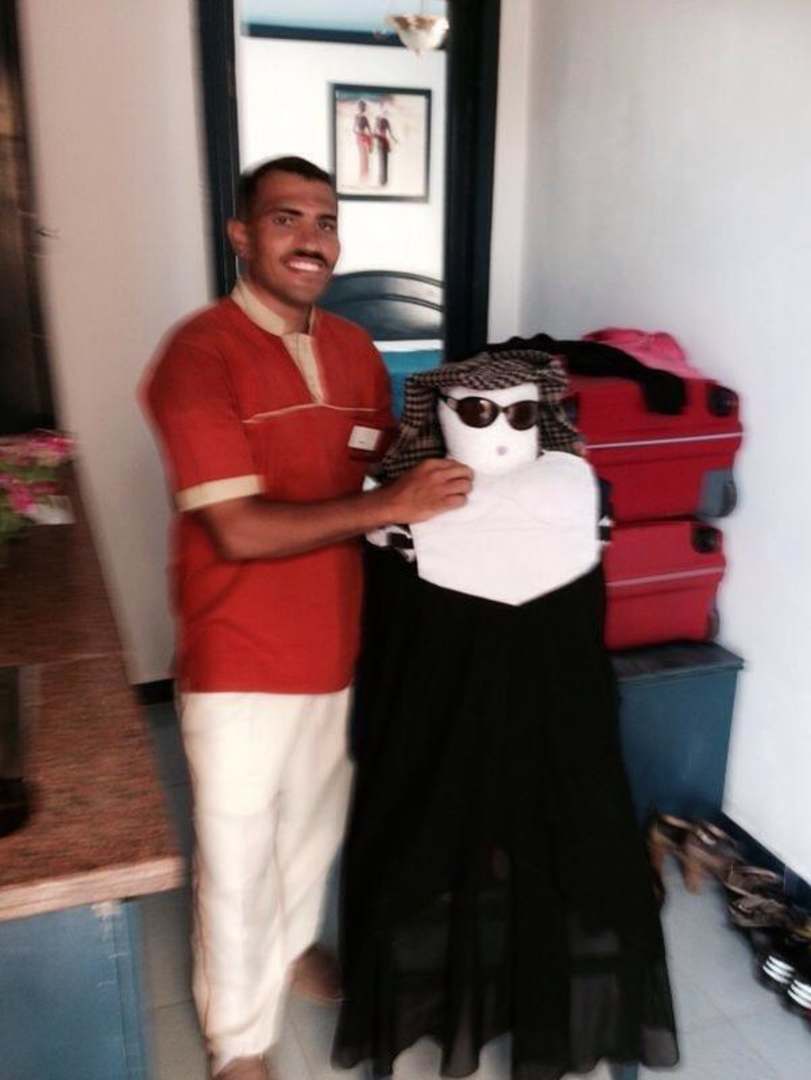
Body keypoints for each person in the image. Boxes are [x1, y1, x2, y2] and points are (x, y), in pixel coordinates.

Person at [141, 155, 472, 1080]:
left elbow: (377, 467)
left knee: (312, 833)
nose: (311, 238)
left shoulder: (356, 348)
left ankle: (288, 951)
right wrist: (391, 503)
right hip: (238, 654)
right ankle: (237, 1038)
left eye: (324, 220)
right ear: (241, 235)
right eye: (285, 218)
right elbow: (239, 528)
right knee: (237, 853)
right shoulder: (197, 356)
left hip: (336, 642)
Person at [333, 349, 679, 1079]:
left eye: (519, 413)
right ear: (445, 414)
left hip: (556, 725)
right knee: (423, 854)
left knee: (573, 857)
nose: (497, 429)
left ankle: (563, 1009)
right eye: (479, 412)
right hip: (445, 726)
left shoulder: (579, 488)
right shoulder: (392, 505)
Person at [373, 111, 398, 187]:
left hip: (382, 143)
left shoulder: (379, 122)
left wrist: (377, 136)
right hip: (384, 142)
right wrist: (394, 139)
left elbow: (374, 133)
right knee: (384, 162)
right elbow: (390, 133)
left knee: (382, 162)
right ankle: (384, 181)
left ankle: (382, 181)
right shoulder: (385, 121)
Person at [353, 100, 373, 183]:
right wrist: (360, 133)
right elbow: (354, 129)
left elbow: (370, 130)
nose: (363, 108)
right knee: (362, 157)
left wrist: (370, 142)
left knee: (365, 158)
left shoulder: (365, 118)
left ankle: (365, 177)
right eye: (362, 106)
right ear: (359, 107)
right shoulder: (357, 117)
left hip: (364, 138)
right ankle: (362, 177)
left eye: (364, 107)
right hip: (360, 138)